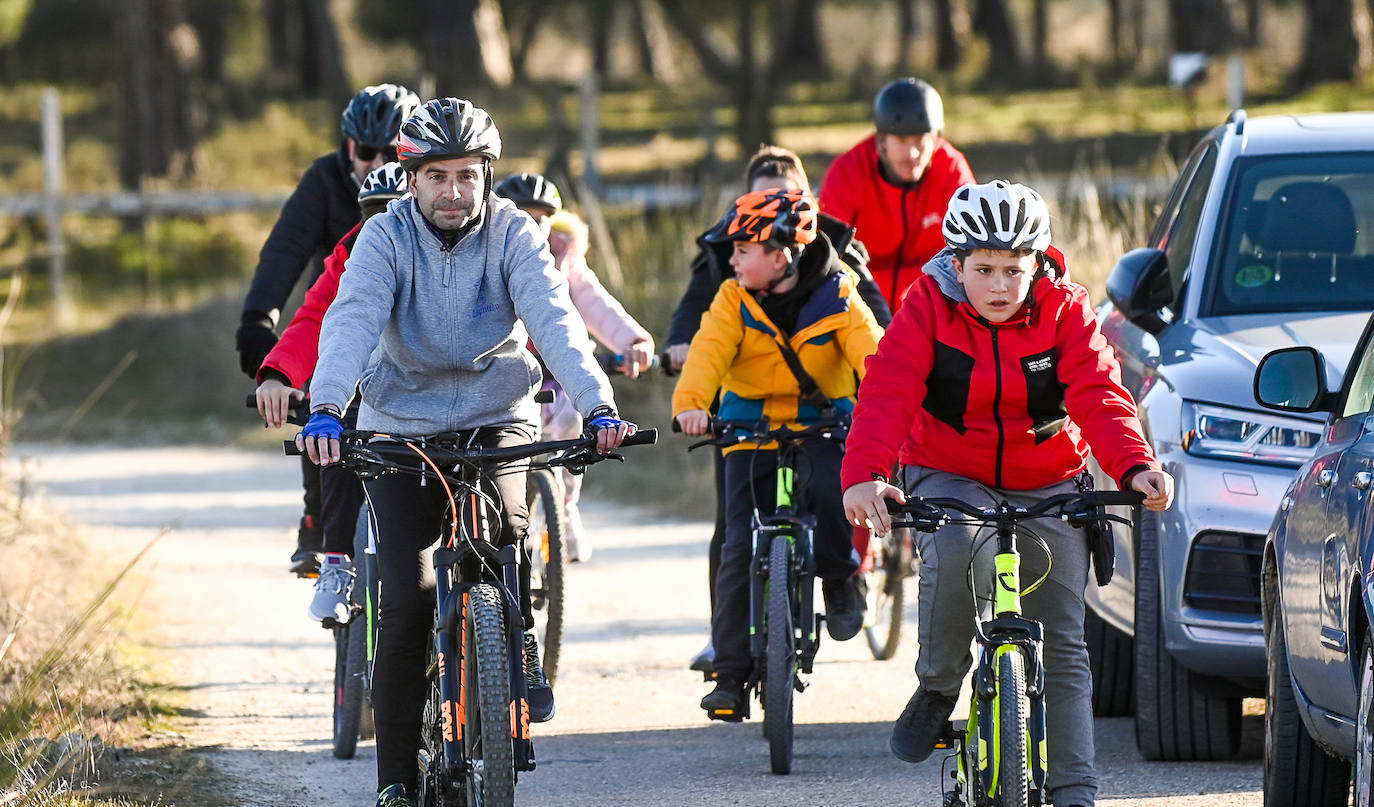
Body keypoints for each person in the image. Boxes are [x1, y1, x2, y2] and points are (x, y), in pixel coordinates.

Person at [295, 97, 634, 807]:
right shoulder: (384, 240)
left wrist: (599, 403)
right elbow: (351, 318)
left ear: (487, 175)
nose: (454, 192)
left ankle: (512, 645)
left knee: (504, 546)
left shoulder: (514, 234)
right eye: (438, 176)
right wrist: (327, 406)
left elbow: (554, 317)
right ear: (410, 178)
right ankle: (393, 777)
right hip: (399, 424)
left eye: (468, 175)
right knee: (409, 596)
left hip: (496, 413)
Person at [838, 180, 1176, 807]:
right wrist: (865, 473)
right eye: (984, 269)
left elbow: (1101, 395)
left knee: (1066, 642)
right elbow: (887, 393)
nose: (999, 285)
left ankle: (1077, 791)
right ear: (956, 264)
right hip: (947, 470)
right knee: (957, 553)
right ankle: (939, 687)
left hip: (1048, 475)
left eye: (1013, 270)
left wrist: (1134, 467)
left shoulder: (1064, 309)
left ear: (1038, 263)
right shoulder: (926, 306)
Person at [664, 144, 891, 673]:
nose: (733, 259)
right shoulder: (731, 297)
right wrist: (692, 404)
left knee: (836, 502)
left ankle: (839, 578)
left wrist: (881, 407)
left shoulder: (839, 292)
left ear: (783, 254)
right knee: (737, 544)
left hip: (822, 421)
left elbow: (873, 351)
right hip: (747, 423)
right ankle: (731, 665)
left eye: (743, 250)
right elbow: (707, 352)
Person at [236, 83, 420, 576]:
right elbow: (284, 254)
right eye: (365, 150)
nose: (376, 160)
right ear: (347, 145)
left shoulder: (432, 198)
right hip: (340, 313)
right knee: (322, 400)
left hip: (417, 340)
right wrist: (259, 323)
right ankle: (319, 522)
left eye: (393, 153)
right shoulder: (324, 181)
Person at [254, 162, 409, 622]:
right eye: (372, 215)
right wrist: (279, 375)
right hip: (365, 393)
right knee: (338, 441)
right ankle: (337, 561)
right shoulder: (349, 259)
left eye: (396, 213)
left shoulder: (447, 256)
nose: (383, 226)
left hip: (435, 397)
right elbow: (314, 319)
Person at [495, 172, 655, 561]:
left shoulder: (563, 262)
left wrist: (632, 342)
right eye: (523, 216)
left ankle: (563, 506)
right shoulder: (487, 257)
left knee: (569, 415)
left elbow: (596, 304)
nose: (534, 227)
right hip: (505, 377)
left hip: (556, 376)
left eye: (542, 219)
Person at [818, 77, 974, 310]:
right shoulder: (847, 173)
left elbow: (972, 250)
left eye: (920, 140)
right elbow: (827, 255)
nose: (912, 153)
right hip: (859, 303)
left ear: (935, 138)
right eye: (901, 140)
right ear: (881, 141)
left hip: (934, 304)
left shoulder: (951, 170)